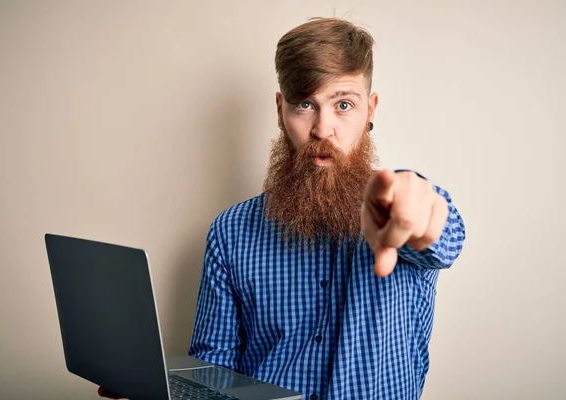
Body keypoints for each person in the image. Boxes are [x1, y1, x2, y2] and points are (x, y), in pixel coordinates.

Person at [99, 16, 465, 400]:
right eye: (305, 104)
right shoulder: (230, 232)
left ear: (370, 110)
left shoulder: (403, 206)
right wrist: (163, 392)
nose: (323, 129)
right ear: (280, 108)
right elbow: (214, 371)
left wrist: (418, 214)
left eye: (343, 104)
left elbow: (443, 234)